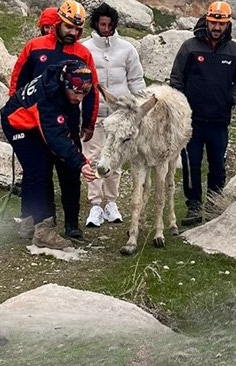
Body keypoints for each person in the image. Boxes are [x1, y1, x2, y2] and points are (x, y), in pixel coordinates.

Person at [9, 0, 99, 241]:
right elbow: (18, 82)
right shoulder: (34, 47)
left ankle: (72, 225)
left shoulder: (83, 53)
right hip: (34, 123)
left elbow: (92, 89)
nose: (73, 33)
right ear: (58, 23)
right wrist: (19, 113)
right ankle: (45, 225)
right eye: (69, 27)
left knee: (70, 171)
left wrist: (89, 122)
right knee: (40, 174)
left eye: (78, 30)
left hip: (67, 122)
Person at [1, 59, 98, 248]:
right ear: (66, 84)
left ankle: (29, 221)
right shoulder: (49, 97)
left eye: (84, 93)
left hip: (33, 122)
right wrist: (81, 162)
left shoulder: (66, 74)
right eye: (76, 92)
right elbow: (56, 137)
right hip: (16, 123)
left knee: (36, 169)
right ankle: (43, 231)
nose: (79, 98)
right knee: (38, 171)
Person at [169, 1, 236, 226]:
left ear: (228, 24)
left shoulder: (235, 51)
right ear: (207, 20)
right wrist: (181, 107)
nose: (216, 27)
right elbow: (176, 80)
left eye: (221, 23)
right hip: (191, 121)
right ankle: (193, 207)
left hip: (219, 120)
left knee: (218, 166)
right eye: (213, 21)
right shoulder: (189, 47)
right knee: (191, 164)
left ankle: (214, 205)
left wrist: (231, 98)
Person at [81, 2, 144, 228]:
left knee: (115, 160)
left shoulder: (127, 49)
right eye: (101, 24)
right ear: (95, 24)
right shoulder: (84, 47)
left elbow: (136, 80)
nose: (105, 28)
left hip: (119, 116)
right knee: (93, 158)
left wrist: (140, 106)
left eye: (109, 24)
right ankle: (96, 205)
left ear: (114, 24)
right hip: (93, 114)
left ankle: (111, 202)